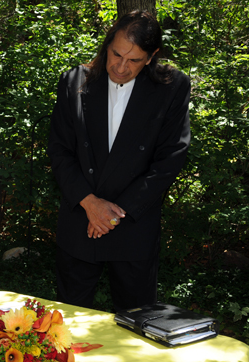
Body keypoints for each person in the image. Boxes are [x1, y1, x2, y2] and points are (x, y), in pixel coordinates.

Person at [47, 11, 191, 311]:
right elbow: (60, 151)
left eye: (134, 60)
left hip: (134, 228)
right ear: (107, 44)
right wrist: (91, 204)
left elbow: (171, 158)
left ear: (151, 57)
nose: (121, 67)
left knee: (137, 329)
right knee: (69, 326)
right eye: (116, 54)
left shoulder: (171, 88)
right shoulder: (74, 81)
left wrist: (112, 214)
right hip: (80, 223)